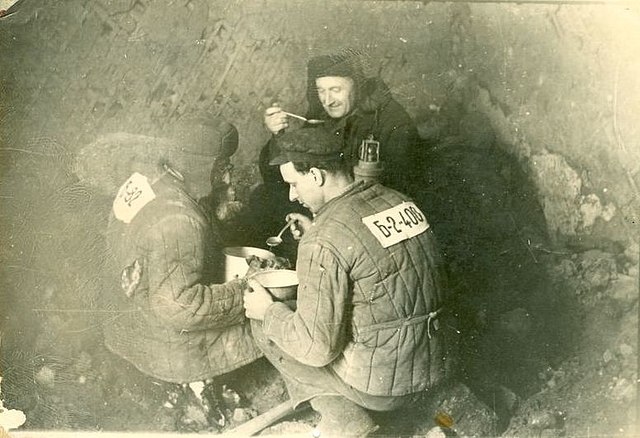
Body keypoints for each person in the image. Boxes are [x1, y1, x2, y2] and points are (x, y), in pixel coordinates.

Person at [243, 128, 456, 437]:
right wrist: (319, 228)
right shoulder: (398, 199)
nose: (292, 195)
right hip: (437, 364)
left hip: (383, 388)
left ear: (316, 175)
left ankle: (347, 421)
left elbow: (317, 349)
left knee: (268, 322)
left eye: (293, 183)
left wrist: (268, 311)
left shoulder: (322, 240)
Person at [76, 117, 263, 429]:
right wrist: (247, 289)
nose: (228, 177)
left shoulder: (148, 180)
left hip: (123, 315)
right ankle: (196, 387)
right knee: (260, 316)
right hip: (159, 337)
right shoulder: (179, 221)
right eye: (222, 168)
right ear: (203, 169)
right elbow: (182, 308)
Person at [235, 49, 422, 262]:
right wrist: (278, 136)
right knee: (262, 198)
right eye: (320, 91)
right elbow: (286, 175)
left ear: (357, 86)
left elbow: (398, 195)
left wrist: (322, 220)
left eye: (335, 89)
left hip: (368, 215)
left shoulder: (393, 122)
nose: (327, 100)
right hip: (328, 203)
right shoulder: (321, 116)